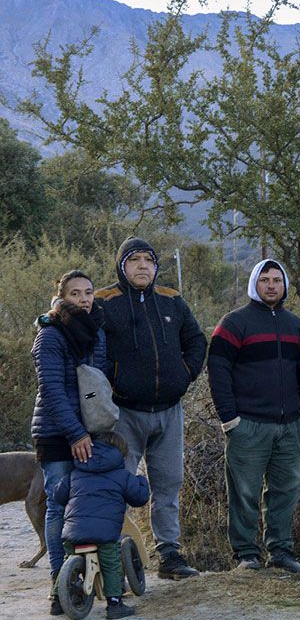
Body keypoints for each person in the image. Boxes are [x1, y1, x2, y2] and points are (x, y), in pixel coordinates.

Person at [95, 237, 207, 579]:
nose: (143, 266)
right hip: (124, 412)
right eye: (135, 260)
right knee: (120, 483)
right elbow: (90, 349)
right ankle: (114, 554)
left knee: (168, 483)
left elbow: (197, 340)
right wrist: (111, 382)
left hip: (170, 410)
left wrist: (185, 374)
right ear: (121, 265)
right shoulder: (103, 301)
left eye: (149, 260)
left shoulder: (172, 300)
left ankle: (169, 555)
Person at [208, 259, 300, 573]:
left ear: (285, 285)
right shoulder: (234, 322)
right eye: (265, 279)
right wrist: (230, 419)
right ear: (255, 283)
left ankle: (280, 552)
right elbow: (217, 370)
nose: (271, 285)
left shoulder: (295, 324)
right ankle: (246, 555)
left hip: (289, 425)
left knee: (286, 490)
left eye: (277, 280)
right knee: (244, 493)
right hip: (248, 425)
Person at [30, 270, 108, 615]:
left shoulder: (97, 331)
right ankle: (57, 586)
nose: (84, 299)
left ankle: (84, 580)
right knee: (59, 506)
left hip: (89, 432)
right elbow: (51, 391)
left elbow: (99, 383)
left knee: (86, 507)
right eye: (76, 293)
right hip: (56, 432)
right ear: (62, 297)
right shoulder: (50, 335)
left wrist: (94, 429)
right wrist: (75, 433)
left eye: (89, 292)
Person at [52, 431, 150, 620]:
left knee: (68, 558)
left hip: (73, 531)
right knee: (111, 564)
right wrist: (142, 481)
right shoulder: (122, 476)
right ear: (121, 453)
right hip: (104, 535)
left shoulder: (76, 473)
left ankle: (57, 600)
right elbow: (140, 498)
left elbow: (58, 496)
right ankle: (114, 603)